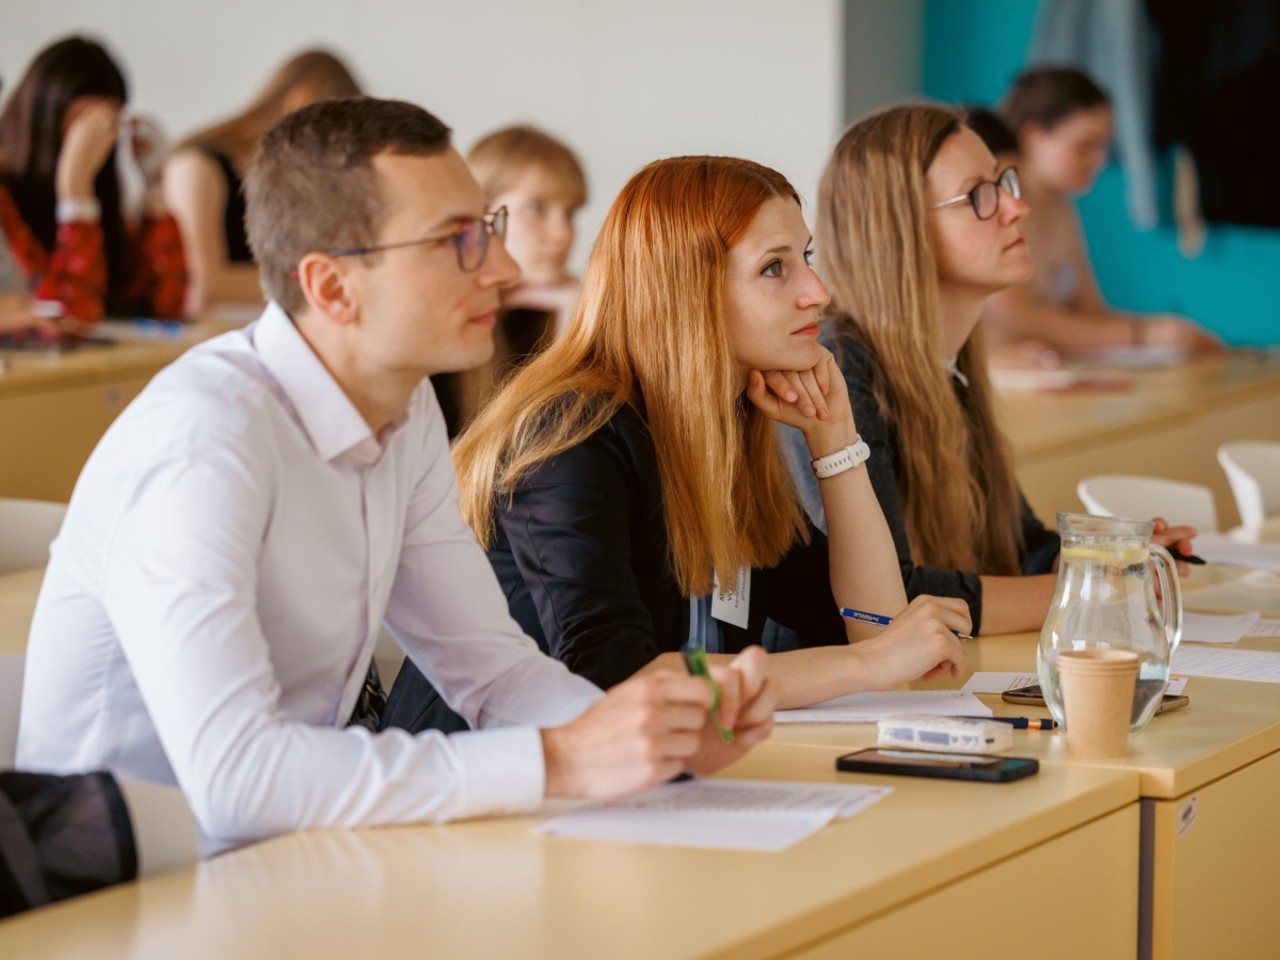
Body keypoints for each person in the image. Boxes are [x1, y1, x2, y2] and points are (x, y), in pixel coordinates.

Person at [16, 97, 774, 856]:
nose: (504, 269)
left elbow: (494, 673)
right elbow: (238, 781)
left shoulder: (404, 410)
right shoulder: (204, 442)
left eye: (488, 229)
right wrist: (564, 759)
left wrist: (653, 743)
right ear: (332, 288)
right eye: (457, 241)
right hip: (134, 878)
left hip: (292, 852)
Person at [382, 154, 969, 735]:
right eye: (775, 268)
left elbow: (870, 627)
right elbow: (611, 678)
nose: (817, 292)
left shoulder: (726, 431)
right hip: (479, 778)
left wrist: (835, 438)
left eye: (806, 259)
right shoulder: (573, 435)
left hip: (646, 775)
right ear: (688, 288)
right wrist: (870, 663)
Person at [781, 104, 1196, 636]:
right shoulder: (840, 366)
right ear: (900, 229)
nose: (1017, 207)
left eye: (1005, 183)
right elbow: (892, 599)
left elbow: (1019, 545)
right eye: (979, 195)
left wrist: (1113, 559)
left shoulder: (951, 362)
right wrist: (1093, 587)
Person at [982, 67, 1220, 358]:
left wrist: (1169, 332)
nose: (1100, 160)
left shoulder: (1059, 205)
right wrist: (1144, 334)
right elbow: (1014, 320)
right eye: (1085, 146)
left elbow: (1090, 311)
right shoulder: (994, 200)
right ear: (1032, 137)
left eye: (1103, 145)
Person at [0, 37, 185, 322]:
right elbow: (67, 316)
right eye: (83, 122)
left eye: (106, 126)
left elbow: (166, 304)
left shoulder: (103, 195)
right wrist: (74, 194)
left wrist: (155, 185)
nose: (94, 141)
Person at [162, 50, 361, 314]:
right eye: (331, 137)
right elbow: (204, 284)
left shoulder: (291, 181)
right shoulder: (196, 165)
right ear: (300, 104)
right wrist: (322, 280)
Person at [434, 125, 587, 435]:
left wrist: (578, 319)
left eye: (569, 213)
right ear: (481, 212)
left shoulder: (555, 310)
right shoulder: (439, 327)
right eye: (535, 208)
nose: (562, 234)